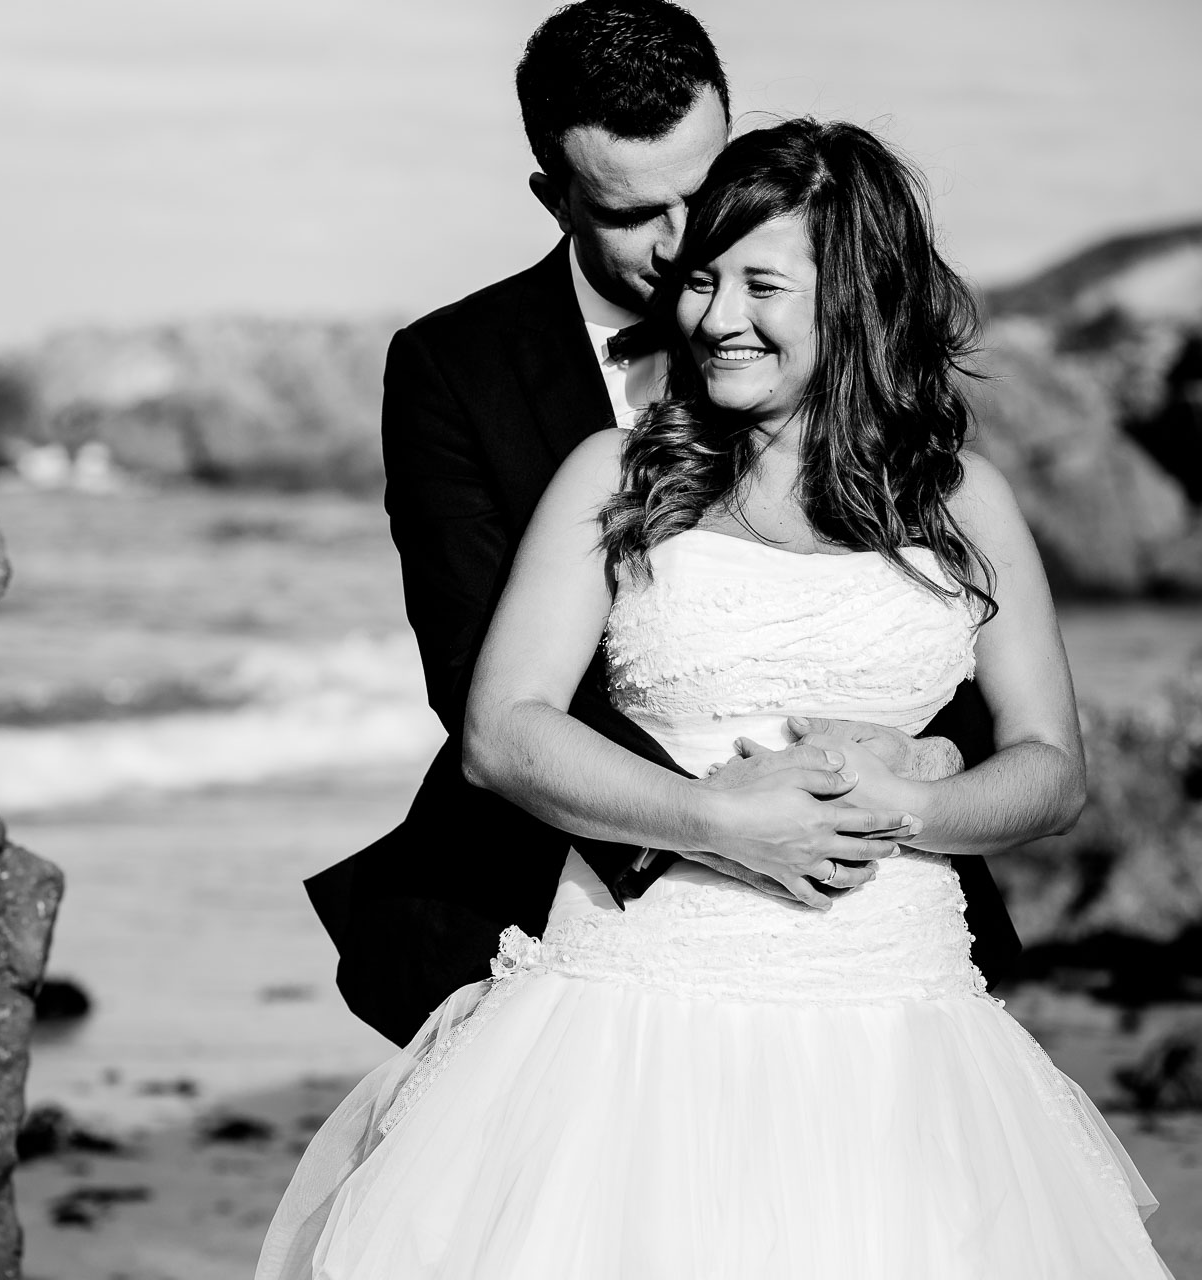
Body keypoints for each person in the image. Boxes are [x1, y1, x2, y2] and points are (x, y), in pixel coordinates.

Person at [258, 118, 1171, 1279]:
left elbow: (1053, 762)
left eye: (762, 283)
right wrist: (721, 823)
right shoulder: (617, 472)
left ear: (855, 296)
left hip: (899, 1026)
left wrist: (907, 796)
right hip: (634, 1021)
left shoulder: (967, 502)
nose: (715, 315)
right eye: (703, 278)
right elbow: (503, 730)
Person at [305, 0, 1022, 1049]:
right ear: (556, 197)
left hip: (876, 903)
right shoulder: (455, 370)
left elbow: (941, 618)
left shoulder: (845, 344)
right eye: (635, 212)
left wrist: (922, 767)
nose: (690, 248)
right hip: (584, 904)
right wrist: (726, 826)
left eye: (704, 187)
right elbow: (479, 683)